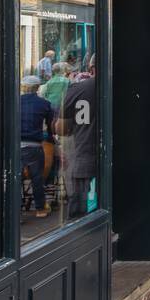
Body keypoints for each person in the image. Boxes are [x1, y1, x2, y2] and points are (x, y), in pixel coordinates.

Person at [59, 56, 97, 218]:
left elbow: (60, 128)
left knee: (81, 217)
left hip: (85, 161)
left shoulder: (78, 89)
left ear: (91, 68)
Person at [19, 75, 55, 218]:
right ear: (38, 87)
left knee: (16, 179)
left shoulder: (15, 102)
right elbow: (51, 126)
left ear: (23, 87)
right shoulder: (44, 104)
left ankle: (17, 212)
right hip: (34, 146)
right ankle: (40, 209)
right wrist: (50, 138)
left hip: (16, 145)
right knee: (37, 178)